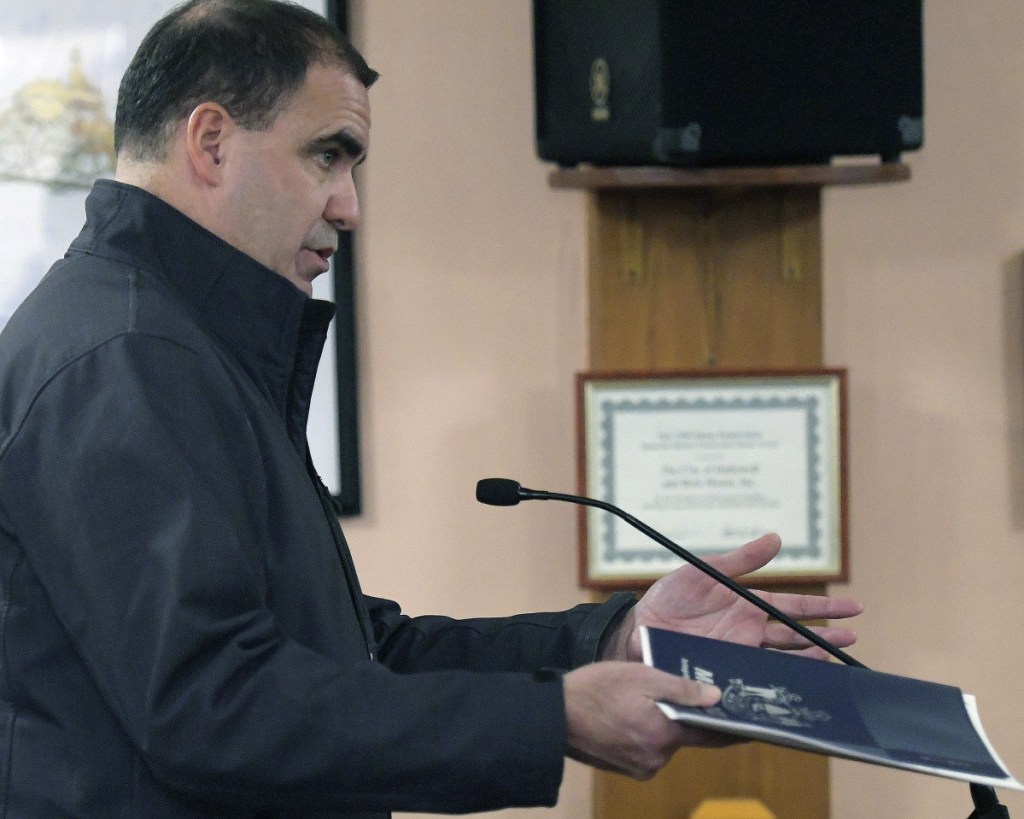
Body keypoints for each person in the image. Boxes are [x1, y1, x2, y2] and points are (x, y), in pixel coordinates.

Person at [0, 1, 862, 816]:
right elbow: (213, 702)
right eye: (326, 156)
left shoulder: (174, 342)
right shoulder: (123, 356)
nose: (349, 205)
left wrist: (613, 640)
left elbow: (359, 654)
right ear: (212, 141)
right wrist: (551, 718)